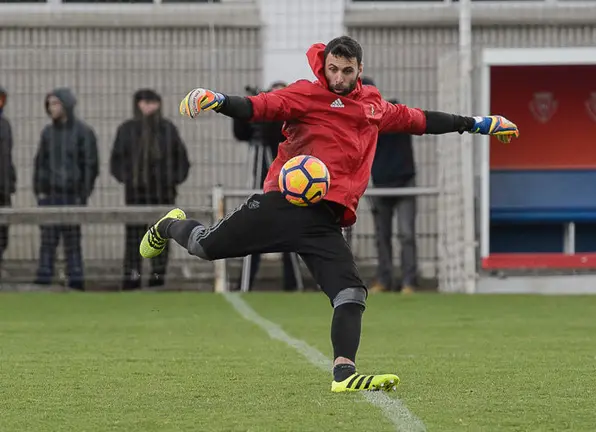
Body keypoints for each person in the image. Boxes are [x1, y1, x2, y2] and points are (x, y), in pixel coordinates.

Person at [139, 36, 518, 392]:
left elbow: (421, 120)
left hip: (324, 222)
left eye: (346, 71)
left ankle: (344, 373)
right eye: (333, 69)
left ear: (359, 69)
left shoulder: (373, 106)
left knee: (350, 293)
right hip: (281, 207)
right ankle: (171, 223)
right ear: (325, 65)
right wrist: (216, 99)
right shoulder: (306, 94)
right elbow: (259, 107)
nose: (337, 77)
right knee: (205, 247)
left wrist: (479, 123)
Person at [110, 89, 191, 290]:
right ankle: (131, 280)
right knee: (133, 239)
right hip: (135, 194)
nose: (148, 107)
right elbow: (116, 160)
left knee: (161, 238)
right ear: (137, 104)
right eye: (144, 102)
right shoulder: (127, 130)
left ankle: (157, 280)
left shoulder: (167, 129)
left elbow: (182, 160)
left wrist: (171, 180)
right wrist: (129, 179)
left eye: (152, 102)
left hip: (163, 194)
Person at [232, 81, 298, 292]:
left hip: (287, 182)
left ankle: (293, 284)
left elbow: (278, 134)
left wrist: (269, 112)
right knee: (254, 232)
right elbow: (241, 133)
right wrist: (244, 109)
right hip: (260, 180)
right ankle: (245, 284)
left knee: (290, 232)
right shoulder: (261, 117)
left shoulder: (292, 118)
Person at [33, 88, 99, 290]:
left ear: (66, 105)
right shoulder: (47, 133)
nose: (51, 108)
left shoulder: (83, 132)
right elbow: (40, 163)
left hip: (72, 196)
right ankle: (43, 282)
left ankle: (76, 282)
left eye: (55, 104)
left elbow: (90, 165)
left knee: (72, 243)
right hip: (50, 195)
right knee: (48, 242)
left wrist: (83, 194)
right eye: (49, 104)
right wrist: (40, 191)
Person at [361, 77, 418, 294]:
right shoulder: (360, 124)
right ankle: (384, 280)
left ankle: (409, 282)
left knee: (406, 234)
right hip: (380, 184)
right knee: (381, 235)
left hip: (405, 182)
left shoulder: (393, 113)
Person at [0, 86, 16, 276]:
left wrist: (10, 180)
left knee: (3, 230)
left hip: (2, 187)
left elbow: (6, 157)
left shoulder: (5, 125)